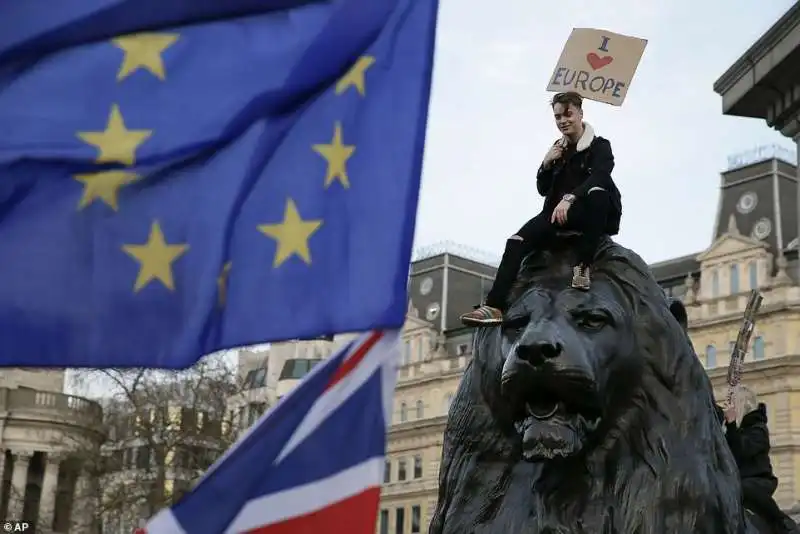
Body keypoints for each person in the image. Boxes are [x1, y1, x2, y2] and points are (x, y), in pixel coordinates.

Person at [460, 91, 622, 326]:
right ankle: (494, 306)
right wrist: (545, 164)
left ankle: (582, 266)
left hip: (591, 211)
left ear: (580, 114)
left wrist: (571, 198)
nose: (563, 121)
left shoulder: (600, 146)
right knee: (515, 241)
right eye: (557, 117)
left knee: (598, 192)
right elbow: (543, 189)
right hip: (556, 213)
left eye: (568, 114)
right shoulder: (558, 149)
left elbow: (600, 175)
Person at [718, 388, 800, 534]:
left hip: (758, 480)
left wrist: (730, 425)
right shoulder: (733, 431)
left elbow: (742, 451)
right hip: (737, 480)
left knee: (744, 487)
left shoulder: (758, 429)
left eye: (733, 405)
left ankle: (781, 521)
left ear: (742, 405)